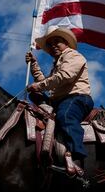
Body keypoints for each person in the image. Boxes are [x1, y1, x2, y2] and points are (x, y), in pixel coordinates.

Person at [26, 25, 93, 176]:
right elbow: (47, 83)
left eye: (57, 41)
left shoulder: (74, 56)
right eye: (49, 44)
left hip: (77, 98)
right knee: (35, 97)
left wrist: (39, 85)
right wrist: (34, 66)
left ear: (66, 43)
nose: (53, 46)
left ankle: (75, 157)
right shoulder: (56, 65)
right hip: (58, 101)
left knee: (66, 116)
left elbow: (65, 76)